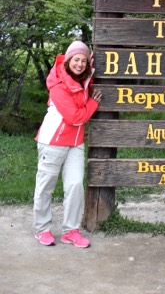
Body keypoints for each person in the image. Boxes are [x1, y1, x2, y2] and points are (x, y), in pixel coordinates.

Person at [33, 40, 102, 248]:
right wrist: (93, 103)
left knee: (74, 186)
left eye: (83, 60)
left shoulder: (83, 78)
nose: (79, 64)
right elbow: (75, 117)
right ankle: (42, 229)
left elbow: (89, 71)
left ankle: (71, 231)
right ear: (68, 60)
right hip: (52, 141)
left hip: (76, 143)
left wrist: (93, 57)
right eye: (76, 59)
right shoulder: (58, 85)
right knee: (46, 187)